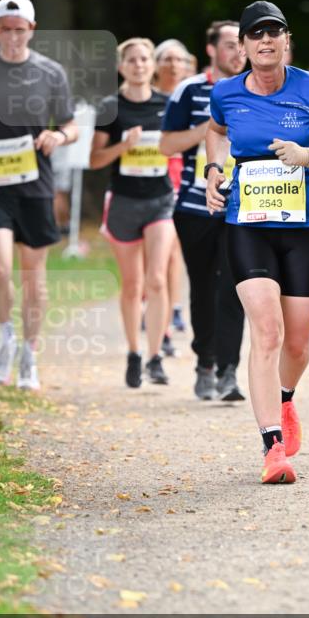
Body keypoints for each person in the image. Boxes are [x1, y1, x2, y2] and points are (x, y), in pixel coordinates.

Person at [204, 1, 309, 484]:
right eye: (256, 35)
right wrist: (213, 172)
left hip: (305, 229)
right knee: (266, 332)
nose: (265, 41)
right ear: (243, 46)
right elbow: (215, 132)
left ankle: (285, 399)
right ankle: (272, 448)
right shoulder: (226, 93)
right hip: (248, 224)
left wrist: (305, 155)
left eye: (274, 33)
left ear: (286, 40)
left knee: (298, 343)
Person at [0, 0, 77, 389]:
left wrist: (58, 135)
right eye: (6, 29)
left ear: (31, 30)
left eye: (21, 30)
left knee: (34, 275)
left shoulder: (50, 72)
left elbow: (70, 123)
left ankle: (29, 352)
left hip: (34, 184)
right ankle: (5, 337)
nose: (13, 37)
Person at [159, 21, 247, 402]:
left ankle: (228, 370)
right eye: (229, 45)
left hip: (245, 207)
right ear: (211, 50)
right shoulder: (190, 89)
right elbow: (165, 144)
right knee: (204, 287)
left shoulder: (259, 88)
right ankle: (205, 362)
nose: (238, 53)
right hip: (195, 207)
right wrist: (209, 129)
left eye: (240, 45)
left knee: (236, 286)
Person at [90, 37, 175, 388]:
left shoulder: (168, 104)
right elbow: (94, 160)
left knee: (157, 278)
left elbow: (179, 145)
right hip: (124, 201)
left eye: (144, 59)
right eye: (132, 60)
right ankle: (134, 351)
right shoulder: (109, 107)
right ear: (121, 67)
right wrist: (124, 146)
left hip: (160, 200)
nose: (139, 65)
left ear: (152, 66)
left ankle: (156, 356)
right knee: (132, 284)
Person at [154, 39, 195, 346]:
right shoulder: (148, 98)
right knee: (163, 253)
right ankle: (160, 310)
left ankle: (172, 310)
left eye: (178, 59)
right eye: (166, 59)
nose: (173, 65)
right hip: (151, 180)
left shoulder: (192, 97)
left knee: (174, 251)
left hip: (186, 177)